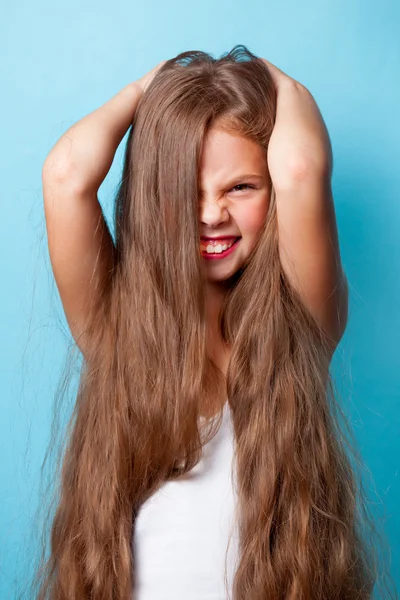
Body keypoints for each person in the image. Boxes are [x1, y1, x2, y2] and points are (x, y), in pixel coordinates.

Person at [31, 45, 395, 600]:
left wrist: (272, 80)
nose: (209, 214)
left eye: (240, 187)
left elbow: (299, 169)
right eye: (186, 192)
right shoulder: (117, 328)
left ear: (272, 197)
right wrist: (147, 90)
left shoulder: (303, 324)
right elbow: (65, 176)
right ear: (155, 199)